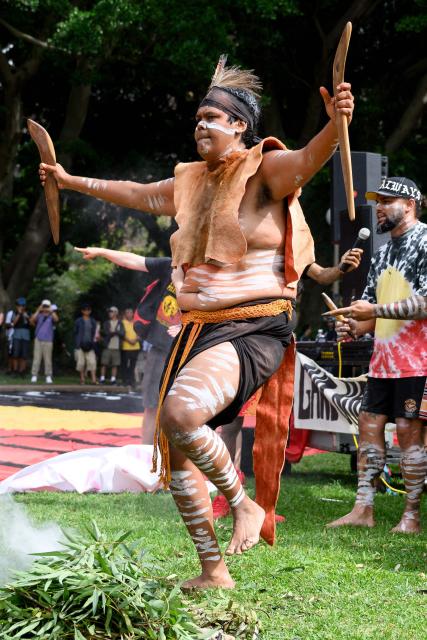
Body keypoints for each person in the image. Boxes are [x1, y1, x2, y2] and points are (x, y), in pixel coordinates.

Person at [39, 58, 354, 589]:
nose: (201, 125)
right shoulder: (189, 182)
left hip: (254, 326)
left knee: (180, 414)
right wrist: (70, 182)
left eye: (213, 117)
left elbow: (308, 160)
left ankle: (242, 503)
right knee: (180, 450)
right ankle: (213, 571)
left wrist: (335, 122)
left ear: (239, 126)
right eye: (198, 118)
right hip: (199, 328)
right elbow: (134, 194)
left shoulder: (264, 170)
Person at [324, 177, 426, 534]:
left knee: (410, 435)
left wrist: (374, 309)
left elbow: (424, 304)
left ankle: (410, 516)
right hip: (383, 363)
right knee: (368, 427)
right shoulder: (382, 253)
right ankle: (363, 508)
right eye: (377, 201)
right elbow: (369, 316)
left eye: (387, 200)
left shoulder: (426, 241)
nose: (379, 207)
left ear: (410, 204)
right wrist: (352, 326)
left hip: (419, 362)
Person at [75, 247, 181, 442]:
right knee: (151, 406)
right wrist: (102, 251)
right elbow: (133, 260)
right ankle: (146, 456)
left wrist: (180, 285)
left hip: (191, 351)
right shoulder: (169, 265)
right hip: (161, 348)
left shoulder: (208, 274)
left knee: (184, 412)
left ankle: (181, 463)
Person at [30, 299, 59, 383]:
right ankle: (34, 375)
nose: (45, 308)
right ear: (42, 305)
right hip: (38, 339)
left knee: (48, 359)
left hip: (48, 340)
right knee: (36, 358)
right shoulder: (39, 314)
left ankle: (48, 376)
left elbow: (56, 319)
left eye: (47, 306)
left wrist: (51, 311)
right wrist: (38, 310)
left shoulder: (52, 315)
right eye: (44, 306)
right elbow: (31, 321)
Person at [5, 297, 31, 377]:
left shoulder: (28, 313)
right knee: (15, 354)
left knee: (24, 355)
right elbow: (13, 324)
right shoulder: (13, 313)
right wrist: (19, 314)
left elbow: (32, 324)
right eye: (19, 305)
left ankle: (22, 371)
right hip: (16, 334)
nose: (21, 307)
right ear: (16, 306)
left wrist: (27, 317)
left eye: (23, 305)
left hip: (26, 335)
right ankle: (15, 371)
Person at [100, 306, 124, 384]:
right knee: (104, 363)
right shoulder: (106, 323)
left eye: (112, 311)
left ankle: (113, 379)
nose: (110, 313)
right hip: (107, 346)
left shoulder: (120, 323)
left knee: (115, 364)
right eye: (109, 312)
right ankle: (102, 378)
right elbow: (105, 332)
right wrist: (115, 332)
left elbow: (122, 333)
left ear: (116, 313)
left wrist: (114, 332)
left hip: (116, 346)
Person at [74, 302, 98, 384]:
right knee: (81, 362)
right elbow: (75, 332)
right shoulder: (78, 321)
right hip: (80, 344)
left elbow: (95, 332)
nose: (87, 311)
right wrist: (77, 342)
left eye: (88, 310)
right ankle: (82, 379)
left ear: (90, 311)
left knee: (92, 362)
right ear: (82, 311)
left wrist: (94, 341)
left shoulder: (93, 321)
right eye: (85, 310)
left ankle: (94, 379)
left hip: (90, 344)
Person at [121, 307, 141, 388]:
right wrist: (129, 340)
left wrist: (135, 339)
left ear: (133, 314)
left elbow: (140, 332)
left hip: (135, 347)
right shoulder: (122, 322)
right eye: (127, 312)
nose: (129, 314)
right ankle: (125, 381)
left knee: (133, 365)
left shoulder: (136, 322)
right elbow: (121, 333)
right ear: (125, 314)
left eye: (130, 312)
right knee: (125, 365)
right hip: (125, 347)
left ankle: (131, 381)